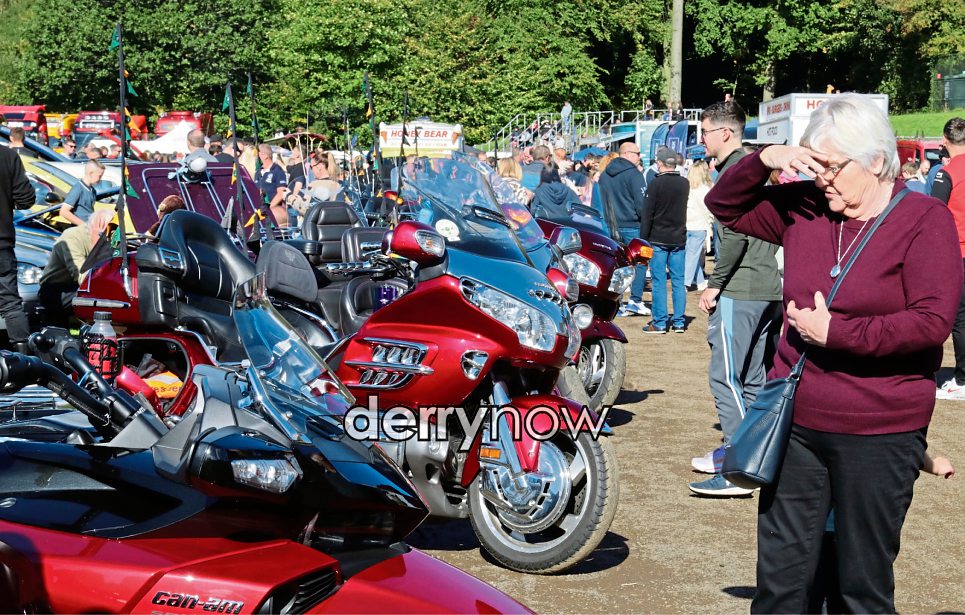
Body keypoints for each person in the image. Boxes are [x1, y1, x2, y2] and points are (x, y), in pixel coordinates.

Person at [705, 93, 961, 613]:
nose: (821, 179)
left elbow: (931, 323)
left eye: (832, 166)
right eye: (815, 164)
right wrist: (764, 158)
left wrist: (838, 332)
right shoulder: (805, 207)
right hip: (797, 424)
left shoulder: (924, 219)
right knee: (782, 582)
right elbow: (725, 205)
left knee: (859, 585)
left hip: (881, 429)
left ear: (876, 161)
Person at [690, 100, 783, 497]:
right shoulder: (754, 169)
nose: (701, 139)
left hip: (743, 288)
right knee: (753, 379)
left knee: (725, 377)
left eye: (705, 132)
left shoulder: (735, 172)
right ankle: (752, 459)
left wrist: (715, 283)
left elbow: (735, 237)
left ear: (725, 133)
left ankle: (740, 468)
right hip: (767, 287)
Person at [931, 117, 965, 399]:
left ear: (944, 140)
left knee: (960, 317)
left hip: (958, 252)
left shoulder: (947, 173)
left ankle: (963, 379)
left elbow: (935, 215)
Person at [640, 147, 689, 334]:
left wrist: (643, 240)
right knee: (678, 281)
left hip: (658, 237)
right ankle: (679, 322)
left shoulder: (655, 184)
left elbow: (647, 215)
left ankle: (660, 322)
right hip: (678, 238)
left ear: (659, 164)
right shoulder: (684, 183)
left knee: (659, 281)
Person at [37, 210, 115, 327]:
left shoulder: (111, 239)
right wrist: (98, 247)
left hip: (80, 287)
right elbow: (82, 277)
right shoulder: (72, 237)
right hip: (57, 289)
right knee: (102, 297)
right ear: (95, 227)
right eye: (107, 232)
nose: (109, 238)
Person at [598, 141, 649, 316]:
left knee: (616, 265)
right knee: (640, 262)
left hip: (610, 224)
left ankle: (616, 302)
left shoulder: (605, 175)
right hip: (632, 225)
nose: (640, 157)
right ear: (627, 154)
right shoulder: (634, 174)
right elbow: (642, 204)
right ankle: (635, 300)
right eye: (637, 153)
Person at [0, 145, 36, 350]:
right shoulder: (8, 156)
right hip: (2, 244)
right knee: (11, 304)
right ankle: (24, 360)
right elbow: (26, 199)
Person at [685, 159, 713, 290]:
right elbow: (710, 210)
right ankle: (686, 282)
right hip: (699, 226)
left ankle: (699, 281)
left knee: (691, 255)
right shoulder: (706, 190)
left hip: (685, 225)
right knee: (692, 256)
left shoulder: (685, 188)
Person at [59, 159, 105, 226]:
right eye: (99, 176)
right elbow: (64, 211)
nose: (100, 179)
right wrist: (84, 225)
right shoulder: (78, 189)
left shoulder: (93, 191)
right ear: (91, 173)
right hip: (79, 228)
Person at [254, 143, 289, 227]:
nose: (256, 157)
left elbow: (281, 193)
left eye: (257, 154)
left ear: (265, 155)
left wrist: (268, 209)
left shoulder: (277, 170)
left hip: (273, 214)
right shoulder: (258, 172)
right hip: (259, 213)